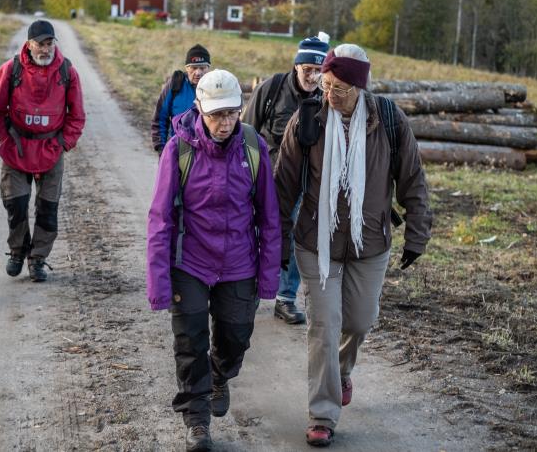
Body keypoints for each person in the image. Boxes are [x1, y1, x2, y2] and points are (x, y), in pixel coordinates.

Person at [273, 44, 432, 447]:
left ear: (361, 87)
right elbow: (283, 185)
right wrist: (276, 241)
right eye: (326, 85)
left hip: (370, 242)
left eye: (340, 88)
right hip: (316, 241)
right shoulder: (308, 119)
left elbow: (412, 179)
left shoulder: (389, 121)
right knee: (324, 327)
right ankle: (323, 414)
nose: (331, 95)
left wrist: (417, 234)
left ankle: (342, 371)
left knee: (359, 321)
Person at [146, 69, 280, 452]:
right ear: (200, 109)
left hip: (239, 262)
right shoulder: (179, 150)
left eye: (231, 114)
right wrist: (159, 283)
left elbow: (269, 217)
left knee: (235, 338)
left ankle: (220, 375)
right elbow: (159, 220)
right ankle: (197, 420)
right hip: (189, 262)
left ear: (240, 110)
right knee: (190, 341)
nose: (224, 123)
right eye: (216, 115)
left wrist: (268, 278)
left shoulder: (253, 148)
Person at [242, 32, 329, 325]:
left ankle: (285, 298)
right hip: (268, 178)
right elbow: (246, 131)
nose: (313, 77)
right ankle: (248, 293)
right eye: (308, 70)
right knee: (260, 233)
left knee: (297, 237)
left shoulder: (327, 97)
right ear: (296, 66)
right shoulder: (273, 88)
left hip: (307, 182)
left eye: (319, 71)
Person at [0, 20, 86, 282]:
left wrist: (64, 143)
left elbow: (76, 116)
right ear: (29, 44)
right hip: (17, 148)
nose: (45, 49)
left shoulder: (67, 71)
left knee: (47, 209)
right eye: (39, 44)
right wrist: (5, 140)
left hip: (50, 148)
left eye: (49, 43)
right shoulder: (11, 70)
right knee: (15, 204)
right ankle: (18, 252)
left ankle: (38, 259)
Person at [150, 44, 211, 154]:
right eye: (193, 68)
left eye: (202, 68)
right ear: (187, 68)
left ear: (208, 68)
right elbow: (160, 118)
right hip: (180, 151)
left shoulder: (216, 87)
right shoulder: (176, 84)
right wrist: (162, 149)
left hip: (208, 152)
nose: (198, 72)